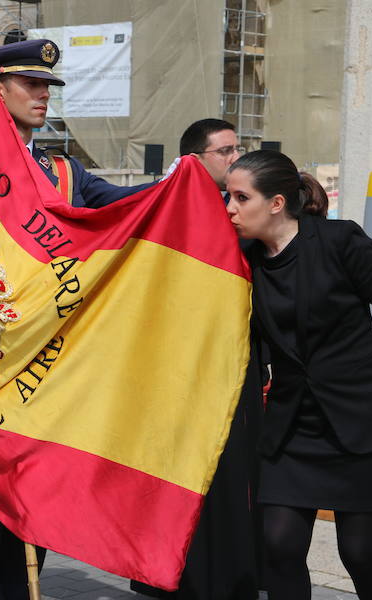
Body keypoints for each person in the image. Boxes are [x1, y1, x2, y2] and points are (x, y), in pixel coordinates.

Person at [0, 39, 156, 600]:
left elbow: (122, 206)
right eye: (31, 85)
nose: (43, 95)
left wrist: (185, 185)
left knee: (36, 489)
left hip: (46, 360)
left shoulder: (61, 170)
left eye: (47, 86)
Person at [224, 150, 372, 600]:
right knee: (279, 546)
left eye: (241, 197)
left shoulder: (339, 241)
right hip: (292, 426)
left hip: (364, 420)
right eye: (228, 196)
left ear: (276, 203)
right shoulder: (243, 259)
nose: (230, 208)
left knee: (360, 552)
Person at [131, 118, 262, 600]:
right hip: (177, 366)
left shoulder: (240, 212)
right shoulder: (166, 204)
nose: (235, 157)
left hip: (230, 362)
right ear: (194, 159)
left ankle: (228, 578)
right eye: (225, 151)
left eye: (237, 148)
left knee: (230, 475)